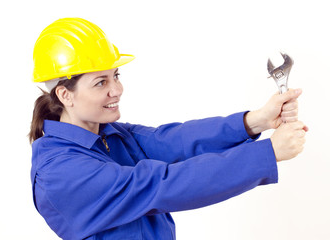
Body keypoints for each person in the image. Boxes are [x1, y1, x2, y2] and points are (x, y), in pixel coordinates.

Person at [29, 18, 307, 240]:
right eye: (100, 82)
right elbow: (164, 185)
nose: (117, 89)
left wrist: (255, 121)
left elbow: (174, 141)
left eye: (116, 76)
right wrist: (267, 153)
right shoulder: (59, 173)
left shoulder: (109, 134)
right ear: (66, 95)